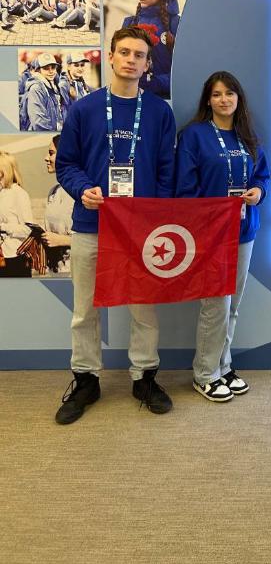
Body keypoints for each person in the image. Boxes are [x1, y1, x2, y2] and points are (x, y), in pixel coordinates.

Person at [54, 26, 176, 425]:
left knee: (144, 308)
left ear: (147, 64)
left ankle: (144, 377)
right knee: (84, 309)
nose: (131, 60)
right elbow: (66, 164)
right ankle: (86, 379)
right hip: (91, 223)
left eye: (139, 55)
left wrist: (156, 216)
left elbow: (166, 170)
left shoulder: (159, 111)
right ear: (110, 56)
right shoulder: (84, 109)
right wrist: (81, 189)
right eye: (124, 52)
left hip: (141, 230)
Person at [176, 71, 269, 402]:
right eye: (216, 94)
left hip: (244, 231)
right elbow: (185, 188)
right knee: (216, 304)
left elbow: (262, 176)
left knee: (233, 305)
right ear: (208, 100)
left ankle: (223, 365)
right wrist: (207, 217)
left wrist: (258, 191)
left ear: (238, 98)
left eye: (229, 93)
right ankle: (205, 373)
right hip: (211, 234)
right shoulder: (194, 136)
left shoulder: (247, 136)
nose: (224, 100)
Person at [121, 0, 179, 98]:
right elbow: (119, 63)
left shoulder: (176, 24)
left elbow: (184, 70)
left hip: (167, 98)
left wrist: (157, 83)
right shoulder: (129, 23)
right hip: (135, 97)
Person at [42, 135, 74, 275]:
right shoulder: (54, 191)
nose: (46, 158)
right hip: (56, 269)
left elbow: (97, 240)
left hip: (78, 269)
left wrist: (61, 240)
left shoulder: (84, 191)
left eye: (51, 153)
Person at [0, 151, 33, 277]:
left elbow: (28, 229)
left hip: (14, 258)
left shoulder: (18, 193)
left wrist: (3, 227)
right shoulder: (2, 193)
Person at [23, 53, 65, 132]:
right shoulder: (36, 89)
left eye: (53, 67)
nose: (51, 71)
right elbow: (38, 123)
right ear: (38, 70)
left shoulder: (53, 85)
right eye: (46, 68)